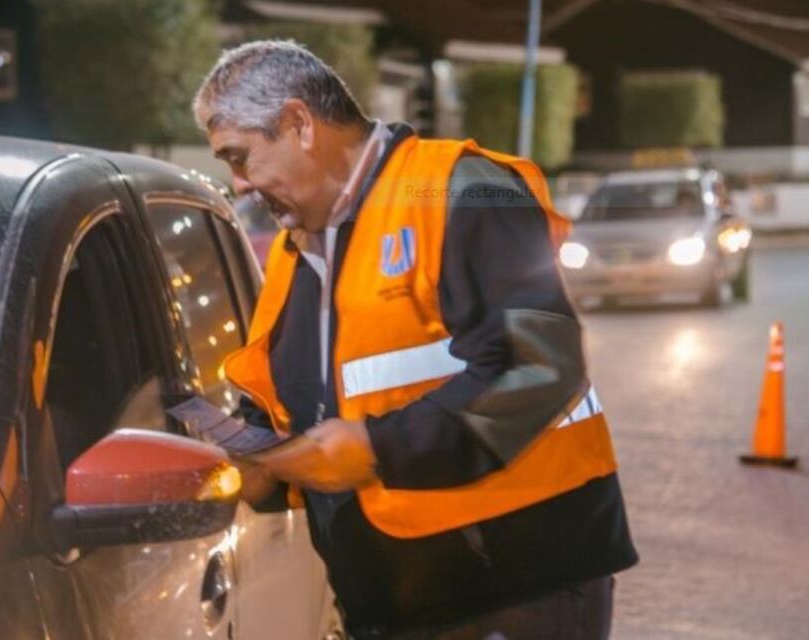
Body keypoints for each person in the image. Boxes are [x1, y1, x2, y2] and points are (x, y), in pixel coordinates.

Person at [192, 40, 637, 639]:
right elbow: (312, 402)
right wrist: (264, 466)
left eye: (240, 157)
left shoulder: (461, 187)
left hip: (512, 589)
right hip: (396, 599)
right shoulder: (302, 251)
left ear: (299, 124)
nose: (240, 184)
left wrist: (377, 447)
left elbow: (540, 362)